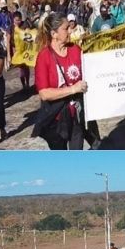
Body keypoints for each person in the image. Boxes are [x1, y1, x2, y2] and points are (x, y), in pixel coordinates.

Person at [32, 12, 88, 150]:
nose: (70, 31)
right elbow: (44, 93)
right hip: (56, 118)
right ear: (54, 34)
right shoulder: (44, 57)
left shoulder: (75, 50)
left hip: (77, 115)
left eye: (70, 27)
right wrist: (73, 89)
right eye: (65, 28)